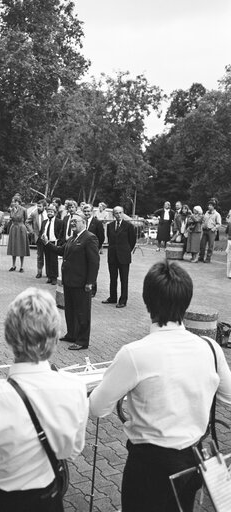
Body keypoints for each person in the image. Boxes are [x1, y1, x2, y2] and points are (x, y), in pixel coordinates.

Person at [90, 260, 231, 512]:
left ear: (147, 302)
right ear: (186, 302)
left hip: (148, 466)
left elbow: (98, 408)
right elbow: (229, 396)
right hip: (192, 460)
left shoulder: (134, 353)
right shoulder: (211, 349)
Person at [0, 287, 88, 512]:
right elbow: (70, 451)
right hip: (48, 501)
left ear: (9, 338)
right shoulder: (75, 388)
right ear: (54, 338)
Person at [44, 214, 99, 350]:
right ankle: (72, 334)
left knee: (82, 312)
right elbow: (61, 251)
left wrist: (90, 282)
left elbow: (94, 262)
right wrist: (47, 243)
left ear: (84, 223)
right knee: (70, 310)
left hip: (81, 282)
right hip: (69, 281)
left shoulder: (89, 237)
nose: (73, 223)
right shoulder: (72, 238)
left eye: (75, 221)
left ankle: (82, 341)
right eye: (72, 221)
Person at [102, 206, 136, 308]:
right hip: (112, 255)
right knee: (113, 278)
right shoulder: (110, 226)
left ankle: (123, 300)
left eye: (120, 212)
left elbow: (132, 241)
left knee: (124, 279)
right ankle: (113, 297)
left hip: (124, 257)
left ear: (123, 213)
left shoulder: (128, 226)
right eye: (116, 213)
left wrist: (126, 251)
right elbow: (110, 239)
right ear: (113, 214)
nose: (118, 215)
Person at [83, 204, 104, 295]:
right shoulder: (82, 221)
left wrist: (96, 249)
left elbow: (101, 237)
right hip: (82, 250)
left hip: (93, 250)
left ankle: (93, 289)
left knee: (92, 269)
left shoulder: (97, 223)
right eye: (85, 211)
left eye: (88, 211)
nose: (87, 213)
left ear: (92, 211)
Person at [39, 205, 62, 285]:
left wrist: (58, 242)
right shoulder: (44, 222)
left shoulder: (59, 222)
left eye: (51, 212)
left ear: (55, 213)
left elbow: (60, 233)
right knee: (47, 259)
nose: (50, 213)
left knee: (53, 260)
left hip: (53, 243)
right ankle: (49, 276)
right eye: (48, 212)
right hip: (45, 243)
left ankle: (54, 277)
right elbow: (42, 231)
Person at [25, 200, 48, 278]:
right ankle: (39, 271)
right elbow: (27, 222)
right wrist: (32, 231)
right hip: (38, 237)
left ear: (44, 207)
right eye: (37, 206)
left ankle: (49, 272)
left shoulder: (48, 213)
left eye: (40, 206)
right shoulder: (34, 213)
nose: (38, 208)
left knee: (48, 255)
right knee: (39, 255)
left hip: (47, 237)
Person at [7, 196, 30, 272]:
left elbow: (26, 220)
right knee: (13, 246)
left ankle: (22, 266)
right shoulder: (11, 210)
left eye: (15, 201)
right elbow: (11, 218)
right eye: (12, 202)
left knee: (21, 246)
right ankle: (13, 265)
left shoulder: (23, 209)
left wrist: (28, 230)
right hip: (13, 228)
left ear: (18, 202)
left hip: (21, 228)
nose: (13, 203)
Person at [226, 209, 231, 278]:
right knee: (229, 259)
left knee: (229, 259)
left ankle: (228, 273)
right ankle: (229, 273)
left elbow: (227, 232)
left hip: (229, 241)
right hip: (230, 241)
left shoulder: (230, 223)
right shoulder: (230, 223)